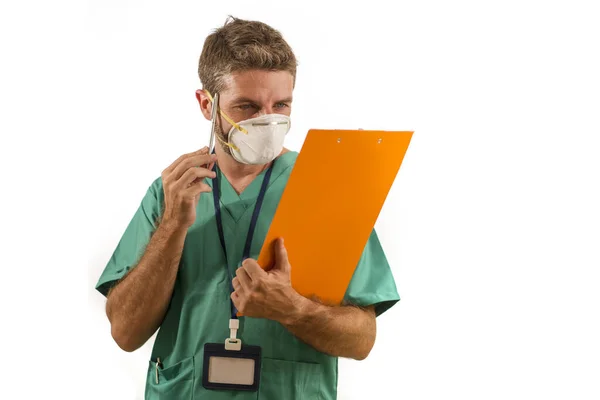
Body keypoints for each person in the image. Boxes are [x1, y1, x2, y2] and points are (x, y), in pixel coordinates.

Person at [95, 16, 400, 399]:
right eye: (247, 106)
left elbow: (362, 340)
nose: (267, 120)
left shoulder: (328, 187)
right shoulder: (170, 192)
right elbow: (125, 332)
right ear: (208, 104)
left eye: (281, 105)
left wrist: (295, 311)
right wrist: (173, 225)